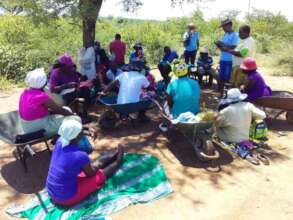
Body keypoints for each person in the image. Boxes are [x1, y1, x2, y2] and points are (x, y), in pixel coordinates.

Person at [46, 118, 124, 206]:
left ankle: (113, 154)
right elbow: (90, 174)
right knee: (98, 176)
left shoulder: (59, 142)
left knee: (89, 167)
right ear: (76, 136)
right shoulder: (79, 155)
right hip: (66, 198)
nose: (83, 134)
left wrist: (86, 130)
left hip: (53, 192)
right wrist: (95, 167)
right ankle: (118, 160)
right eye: (81, 132)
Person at [19, 68, 73, 138]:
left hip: (26, 127)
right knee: (73, 120)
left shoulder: (25, 93)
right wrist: (73, 116)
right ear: (43, 83)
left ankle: (58, 137)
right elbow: (59, 110)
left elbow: (38, 111)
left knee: (65, 110)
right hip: (39, 129)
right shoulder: (41, 96)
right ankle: (63, 139)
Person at [49, 53, 91, 118]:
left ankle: (84, 113)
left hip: (74, 90)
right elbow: (52, 89)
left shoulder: (72, 71)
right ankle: (71, 114)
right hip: (62, 93)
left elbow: (77, 82)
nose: (70, 68)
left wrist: (77, 85)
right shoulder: (55, 73)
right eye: (68, 66)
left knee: (86, 91)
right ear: (62, 66)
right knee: (71, 96)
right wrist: (66, 86)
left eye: (70, 66)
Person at [215, 18, 238, 95]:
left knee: (227, 78)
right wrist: (219, 44)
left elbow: (234, 47)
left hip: (229, 60)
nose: (223, 29)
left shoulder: (235, 35)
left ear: (229, 25)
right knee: (221, 77)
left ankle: (226, 94)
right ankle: (220, 93)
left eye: (224, 27)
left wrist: (223, 46)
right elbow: (224, 46)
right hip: (223, 59)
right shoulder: (225, 34)